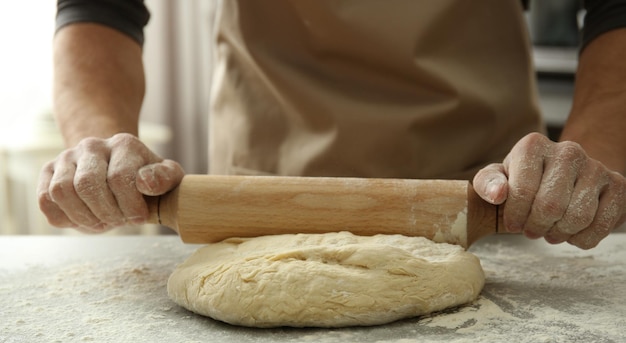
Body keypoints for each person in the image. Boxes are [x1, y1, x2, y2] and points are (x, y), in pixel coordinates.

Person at [37, 0, 626, 249]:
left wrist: (580, 169)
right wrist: (100, 141)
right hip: (262, 196)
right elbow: (101, 7)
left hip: (488, 197)